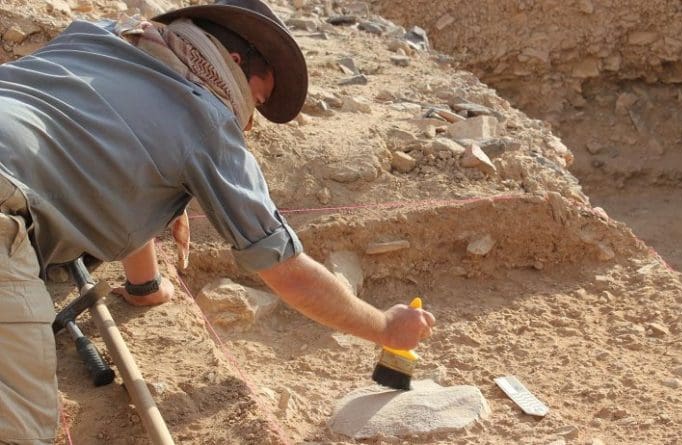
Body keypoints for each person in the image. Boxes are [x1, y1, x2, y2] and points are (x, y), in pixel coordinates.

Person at [0, 0, 436, 442]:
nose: (247, 120)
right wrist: (386, 327)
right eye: (257, 98)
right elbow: (286, 271)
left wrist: (145, 286)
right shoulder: (207, 120)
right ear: (231, 61)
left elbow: (108, 158)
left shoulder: (97, 37)